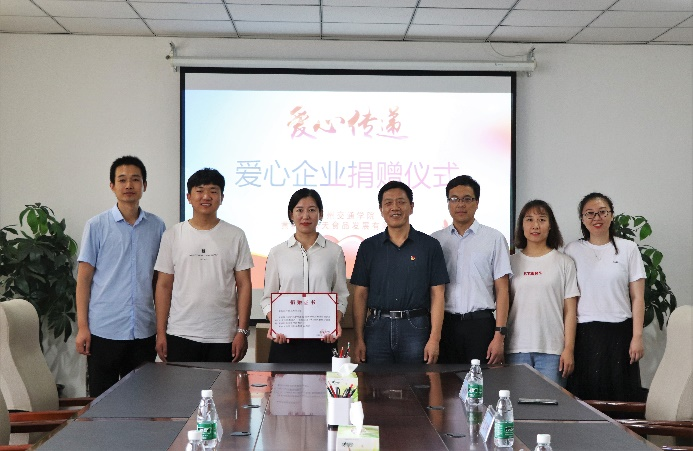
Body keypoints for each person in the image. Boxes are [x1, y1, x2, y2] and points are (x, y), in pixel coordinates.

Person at [75, 156, 166, 397]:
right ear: (112, 186)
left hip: (143, 330)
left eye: (135, 179)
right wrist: (83, 327)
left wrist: (161, 329)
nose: (129, 185)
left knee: (141, 402)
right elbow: (83, 280)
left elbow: (159, 282)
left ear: (144, 185)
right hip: (104, 330)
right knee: (101, 402)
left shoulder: (157, 227)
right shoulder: (96, 226)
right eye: (122, 180)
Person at [154, 168, 253, 363]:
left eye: (213, 191)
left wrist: (242, 331)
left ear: (222, 198)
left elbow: (244, 285)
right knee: (180, 385)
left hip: (223, 335)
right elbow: (163, 285)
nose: (206, 196)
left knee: (222, 385)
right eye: (199, 191)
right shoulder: (172, 235)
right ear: (189, 197)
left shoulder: (236, 235)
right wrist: (161, 332)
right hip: (180, 333)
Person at [351, 181, 449, 364]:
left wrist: (435, 339)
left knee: (418, 380)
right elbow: (360, 294)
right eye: (388, 203)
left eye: (401, 202)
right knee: (375, 381)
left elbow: (438, 294)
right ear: (381, 209)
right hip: (377, 328)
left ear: (411, 207)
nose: (395, 207)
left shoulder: (429, 246)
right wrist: (358, 338)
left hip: (416, 327)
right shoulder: (368, 247)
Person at [565, 192, 646, 401]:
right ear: (582, 219)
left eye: (602, 212)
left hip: (620, 332)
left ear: (611, 215)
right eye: (590, 213)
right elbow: (568, 301)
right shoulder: (572, 250)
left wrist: (637, 336)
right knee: (586, 397)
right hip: (585, 334)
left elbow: (638, 297)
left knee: (622, 395)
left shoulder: (628, 248)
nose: (597, 218)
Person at [261, 188, 349, 363]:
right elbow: (267, 298)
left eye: (312, 210)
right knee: (282, 382)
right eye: (299, 210)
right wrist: (276, 324)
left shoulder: (334, 252)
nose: (305, 216)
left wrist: (334, 323)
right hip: (285, 339)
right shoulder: (277, 253)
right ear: (291, 214)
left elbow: (341, 295)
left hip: (323, 338)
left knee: (323, 382)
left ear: (320, 214)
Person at [431, 175, 512, 365]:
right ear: (448, 203)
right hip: (445, 325)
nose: (460, 204)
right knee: (444, 381)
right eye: (454, 199)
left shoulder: (494, 238)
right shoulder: (436, 240)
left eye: (467, 199)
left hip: (480, 325)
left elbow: (502, 290)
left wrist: (499, 336)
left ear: (477, 203)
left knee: (481, 381)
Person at [505, 200, 579, 386]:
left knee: (550, 404)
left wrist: (568, 349)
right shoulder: (510, 262)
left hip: (553, 351)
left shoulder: (565, 262)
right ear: (522, 225)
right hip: (516, 348)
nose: (535, 225)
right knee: (518, 402)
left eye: (542, 219)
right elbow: (503, 305)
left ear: (550, 225)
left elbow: (570, 311)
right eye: (529, 219)